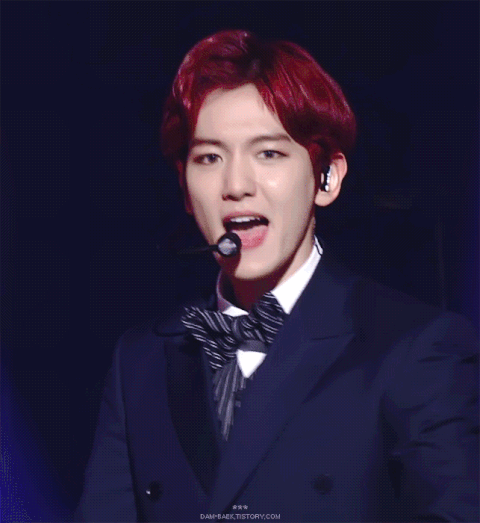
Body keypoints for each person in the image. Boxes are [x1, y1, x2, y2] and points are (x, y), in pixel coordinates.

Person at [75, 29, 479, 522]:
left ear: (326, 177)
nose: (236, 185)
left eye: (268, 153)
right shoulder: (140, 361)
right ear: (184, 187)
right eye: (209, 158)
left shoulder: (416, 347)